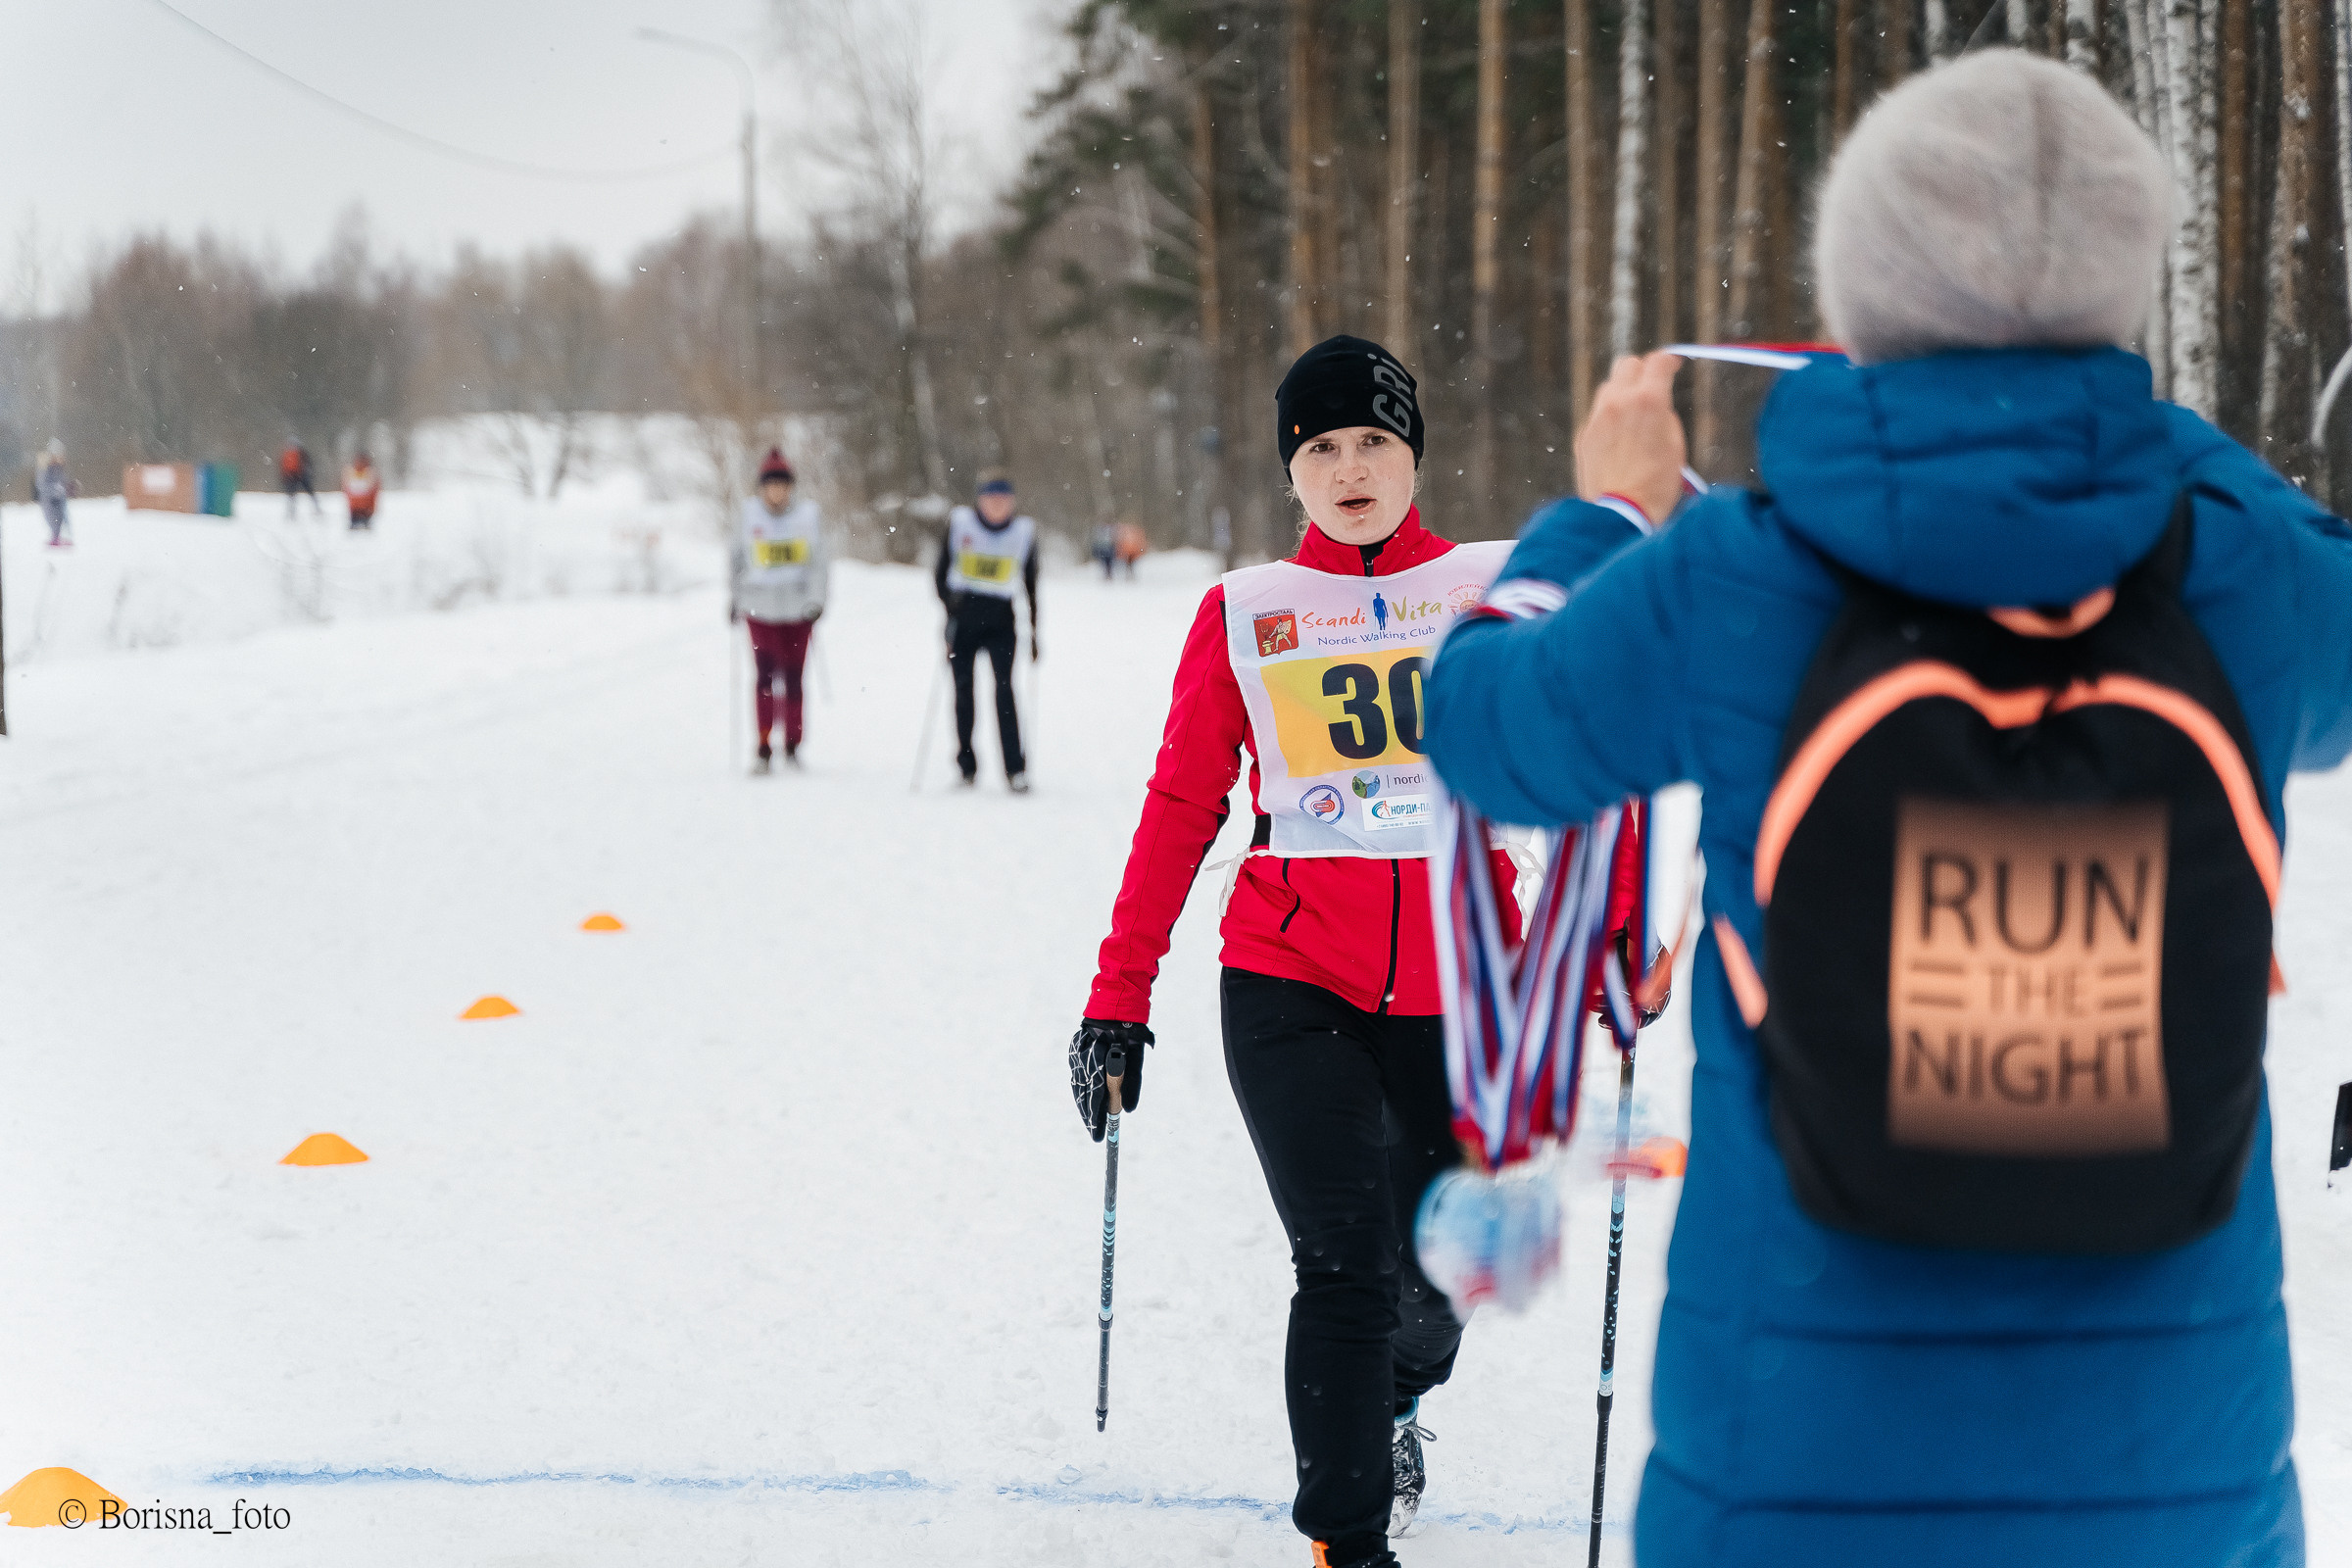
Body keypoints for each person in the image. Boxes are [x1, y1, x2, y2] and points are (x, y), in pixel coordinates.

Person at [1427, 52, 2341, 1567]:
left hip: (1791, 1467)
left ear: (1861, 294)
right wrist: (2149, 431)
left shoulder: (1736, 576)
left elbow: (1484, 731)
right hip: (2173, 1480)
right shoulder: (2236, 568)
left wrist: (1602, 513)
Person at [1069, 336, 1593, 1568]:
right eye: (1320, 449)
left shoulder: (1491, 587)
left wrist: (1612, 933)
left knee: (1433, 1281)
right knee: (1344, 1264)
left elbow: (1589, 768)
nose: (1349, 468)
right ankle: (1348, 1543)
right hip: (1291, 978)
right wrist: (1118, 997)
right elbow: (1181, 806)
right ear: (1290, 470)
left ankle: (1401, 1404)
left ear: (1414, 453)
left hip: (1464, 986)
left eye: (1373, 442)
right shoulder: (1247, 614)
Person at [935, 470, 1037, 792]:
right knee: (963, 692)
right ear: (980, 501)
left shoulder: (1023, 532)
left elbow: (1032, 585)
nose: (996, 506)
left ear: (1012, 502)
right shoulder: (960, 524)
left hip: (1001, 622)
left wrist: (1034, 631)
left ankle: (1014, 769)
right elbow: (939, 572)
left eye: (1003, 500)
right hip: (963, 620)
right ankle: (966, 766)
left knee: (1005, 691)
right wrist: (948, 603)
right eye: (991, 499)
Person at [729, 447, 829, 773]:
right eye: (770, 484)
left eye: (782, 484)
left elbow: (819, 563)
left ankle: (793, 745)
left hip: (798, 611)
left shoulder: (807, 516)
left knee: (794, 679)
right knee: (764, 678)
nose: (776, 491)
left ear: (790, 487)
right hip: (760, 610)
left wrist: (817, 600)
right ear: (761, 487)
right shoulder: (747, 515)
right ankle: (762, 746)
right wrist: (735, 598)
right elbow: (736, 561)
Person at [35, 439, 71, 548]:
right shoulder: (45, 467)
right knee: (52, 518)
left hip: (58, 498)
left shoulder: (59, 467)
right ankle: (55, 537)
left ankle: (57, 537)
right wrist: (55, 490)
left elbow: (62, 480)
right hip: (48, 499)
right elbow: (41, 483)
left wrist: (68, 486)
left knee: (60, 517)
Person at [280, 441, 319, 519]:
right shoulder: (301, 452)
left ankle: (291, 512)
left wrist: (284, 478)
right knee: (310, 492)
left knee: (292, 495)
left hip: (291, 476)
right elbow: (308, 463)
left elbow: (282, 466)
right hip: (301, 475)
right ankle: (317, 508)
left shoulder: (287, 453)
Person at [342, 451, 380, 531]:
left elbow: (373, 492)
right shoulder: (350, 472)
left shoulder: (370, 473)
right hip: (355, 508)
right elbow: (347, 490)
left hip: (365, 509)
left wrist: (372, 508)